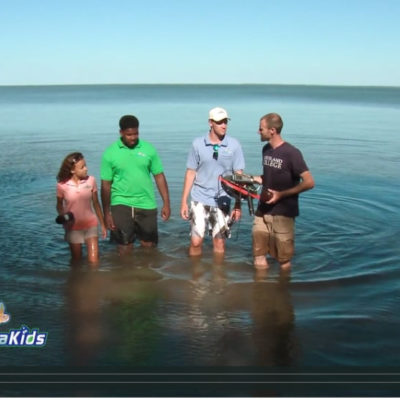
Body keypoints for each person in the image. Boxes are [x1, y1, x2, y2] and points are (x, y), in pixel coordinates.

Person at [252, 113, 315, 270]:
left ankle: (283, 291)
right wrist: (248, 178)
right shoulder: (266, 150)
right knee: (258, 255)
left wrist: (281, 195)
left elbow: (309, 182)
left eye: (261, 129)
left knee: (283, 260)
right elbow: (268, 177)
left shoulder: (292, 153)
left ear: (272, 130)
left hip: (283, 214)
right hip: (262, 210)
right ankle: (260, 291)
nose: (258, 132)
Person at [100, 115, 170, 255]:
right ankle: (125, 275)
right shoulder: (110, 153)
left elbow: (159, 176)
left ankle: (146, 275)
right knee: (124, 246)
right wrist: (106, 213)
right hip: (121, 203)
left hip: (146, 203)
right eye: (129, 134)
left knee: (149, 246)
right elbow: (105, 185)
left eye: (136, 134)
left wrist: (166, 203)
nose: (133, 138)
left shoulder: (148, 149)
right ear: (121, 133)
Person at [180, 107, 245, 256]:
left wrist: (238, 205)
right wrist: (184, 201)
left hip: (223, 199)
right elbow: (191, 172)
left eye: (225, 122)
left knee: (219, 243)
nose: (223, 125)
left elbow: (238, 177)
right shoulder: (198, 144)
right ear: (210, 123)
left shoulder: (234, 145)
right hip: (199, 198)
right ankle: (195, 277)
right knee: (196, 241)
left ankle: (219, 278)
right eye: (219, 122)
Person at [56, 152, 107, 264]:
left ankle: (94, 280)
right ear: (72, 170)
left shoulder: (91, 180)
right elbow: (59, 204)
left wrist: (103, 225)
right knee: (76, 261)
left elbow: (96, 203)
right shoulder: (62, 185)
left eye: (86, 165)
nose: (86, 169)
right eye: (82, 167)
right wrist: (62, 215)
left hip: (91, 224)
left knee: (94, 262)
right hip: (73, 226)